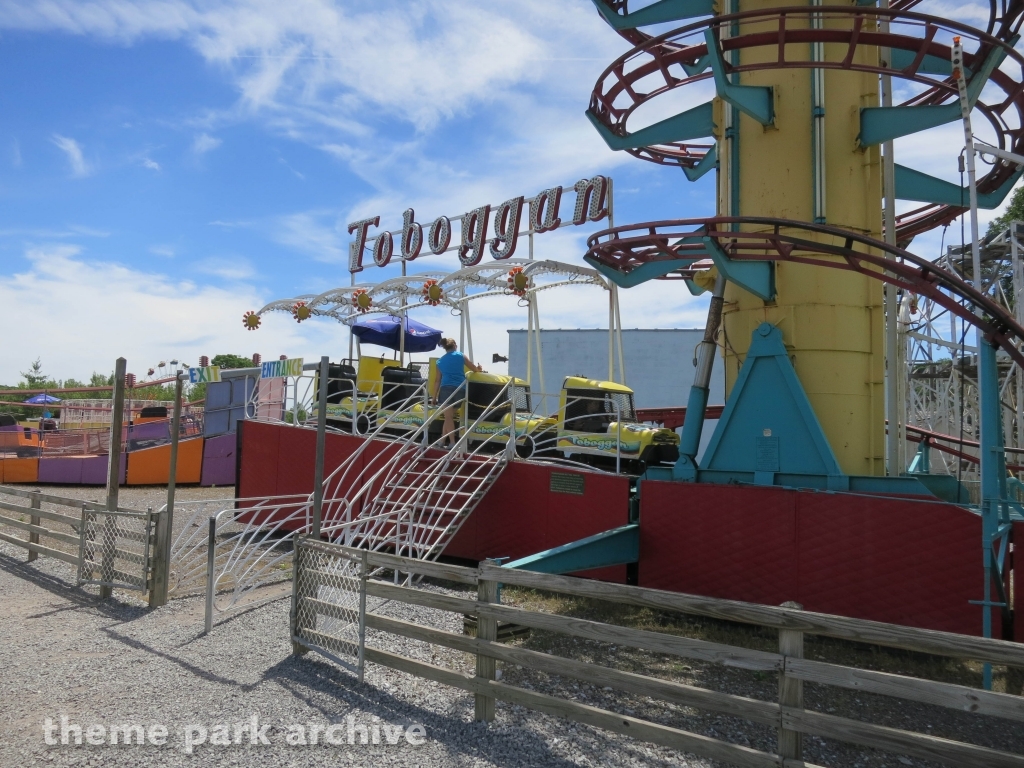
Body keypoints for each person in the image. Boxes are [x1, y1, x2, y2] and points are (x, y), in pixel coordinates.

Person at [433, 338, 482, 449]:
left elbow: (437, 380)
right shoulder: (461, 356)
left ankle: (452, 443)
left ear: (445, 348)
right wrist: (479, 369)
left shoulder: (439, 361)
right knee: (448, 417)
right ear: (454, 345)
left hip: (446, 388)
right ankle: (442, 440)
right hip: (460, 388)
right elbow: (473, 368)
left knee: (448, 416)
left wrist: (434, 396)